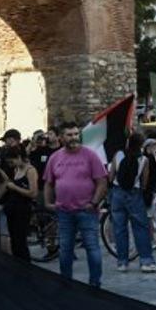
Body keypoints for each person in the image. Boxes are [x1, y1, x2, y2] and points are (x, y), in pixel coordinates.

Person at [43, 121, 107, 288]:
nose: (74, 137)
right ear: (61, 137)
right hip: (64, 210)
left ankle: (95, 283)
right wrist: (48, 202)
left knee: (92, 248)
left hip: (87, 210)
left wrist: (94, 203)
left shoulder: (90, 155)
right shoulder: (55, 158)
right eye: (69, 135)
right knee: (65, 250)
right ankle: (66, 283)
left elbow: (101, 181)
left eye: (76, 134)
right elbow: (49, 182)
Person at [108, 133, 156, 273]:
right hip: (134, 194)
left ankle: (122, 262)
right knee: (141, 228)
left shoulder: (118, 155)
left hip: (117, 194)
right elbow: (144, 182)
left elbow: (111, 175)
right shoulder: (144, 160)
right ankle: (146, 261)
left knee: (119, 229)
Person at [0, 144, 37, 261]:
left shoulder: (30, 170)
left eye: (12, 162)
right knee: (14, 241)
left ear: (19, 157)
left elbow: (33, 193)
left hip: (23, 209)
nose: (11, 165)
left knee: (20, 241)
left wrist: (14, 187)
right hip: (13, 209)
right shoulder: (16, 169)